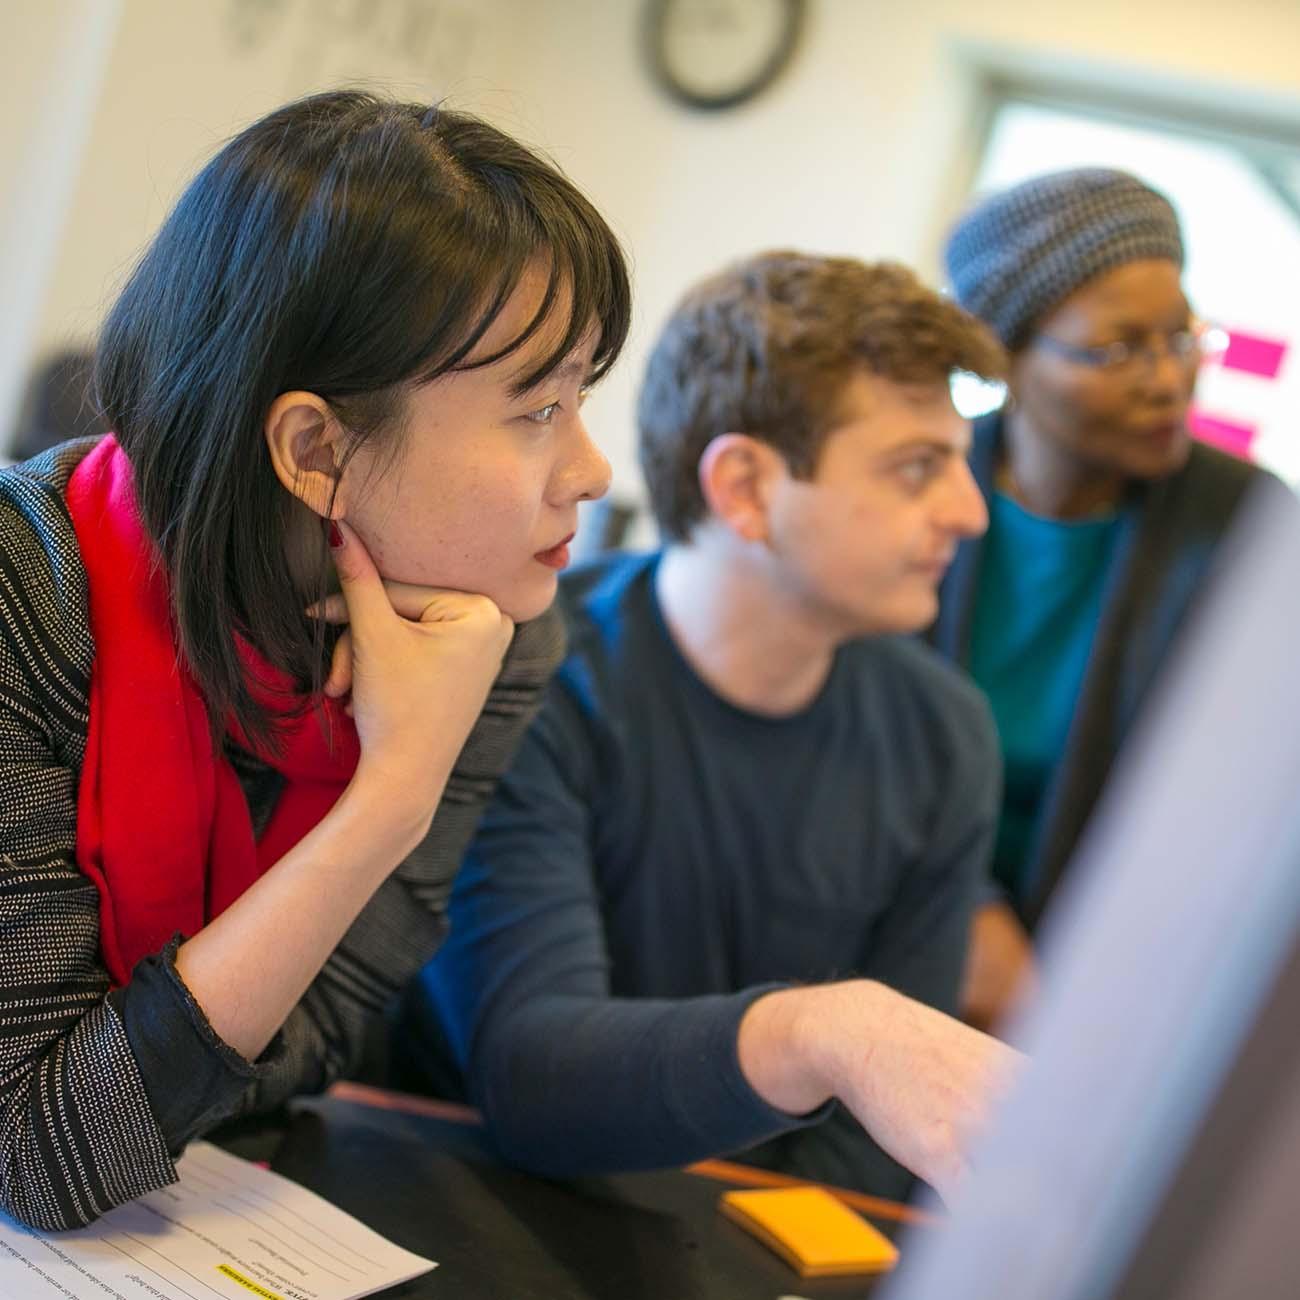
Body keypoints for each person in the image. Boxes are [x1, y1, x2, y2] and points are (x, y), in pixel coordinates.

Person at [0, 89, 631, 1230]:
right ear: (315, 447)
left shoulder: (498, 623)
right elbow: (39, 1153)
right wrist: (388, 798)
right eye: (537, 408)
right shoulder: (28, 593)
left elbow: (314, 1040)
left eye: (581, 396)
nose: (589, 467)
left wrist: (150, 1064)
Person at [399, 252, 1022, 1203]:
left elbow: (884, 1137)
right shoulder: (526, 679)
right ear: (744, 488)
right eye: (916, 469)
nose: (969, 513)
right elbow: (530, 1077)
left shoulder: (945, 734)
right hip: (481, 1213)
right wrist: (823, 1033)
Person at [935, 168, 1267, 1030]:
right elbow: (833, 747)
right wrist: (961, 905)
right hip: (880, 927)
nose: (1170, 379)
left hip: (1122, 979)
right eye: (1118, 349)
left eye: (1183, 337)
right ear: (1004, 356)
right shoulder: (912, 487)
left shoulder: (1255, 529)